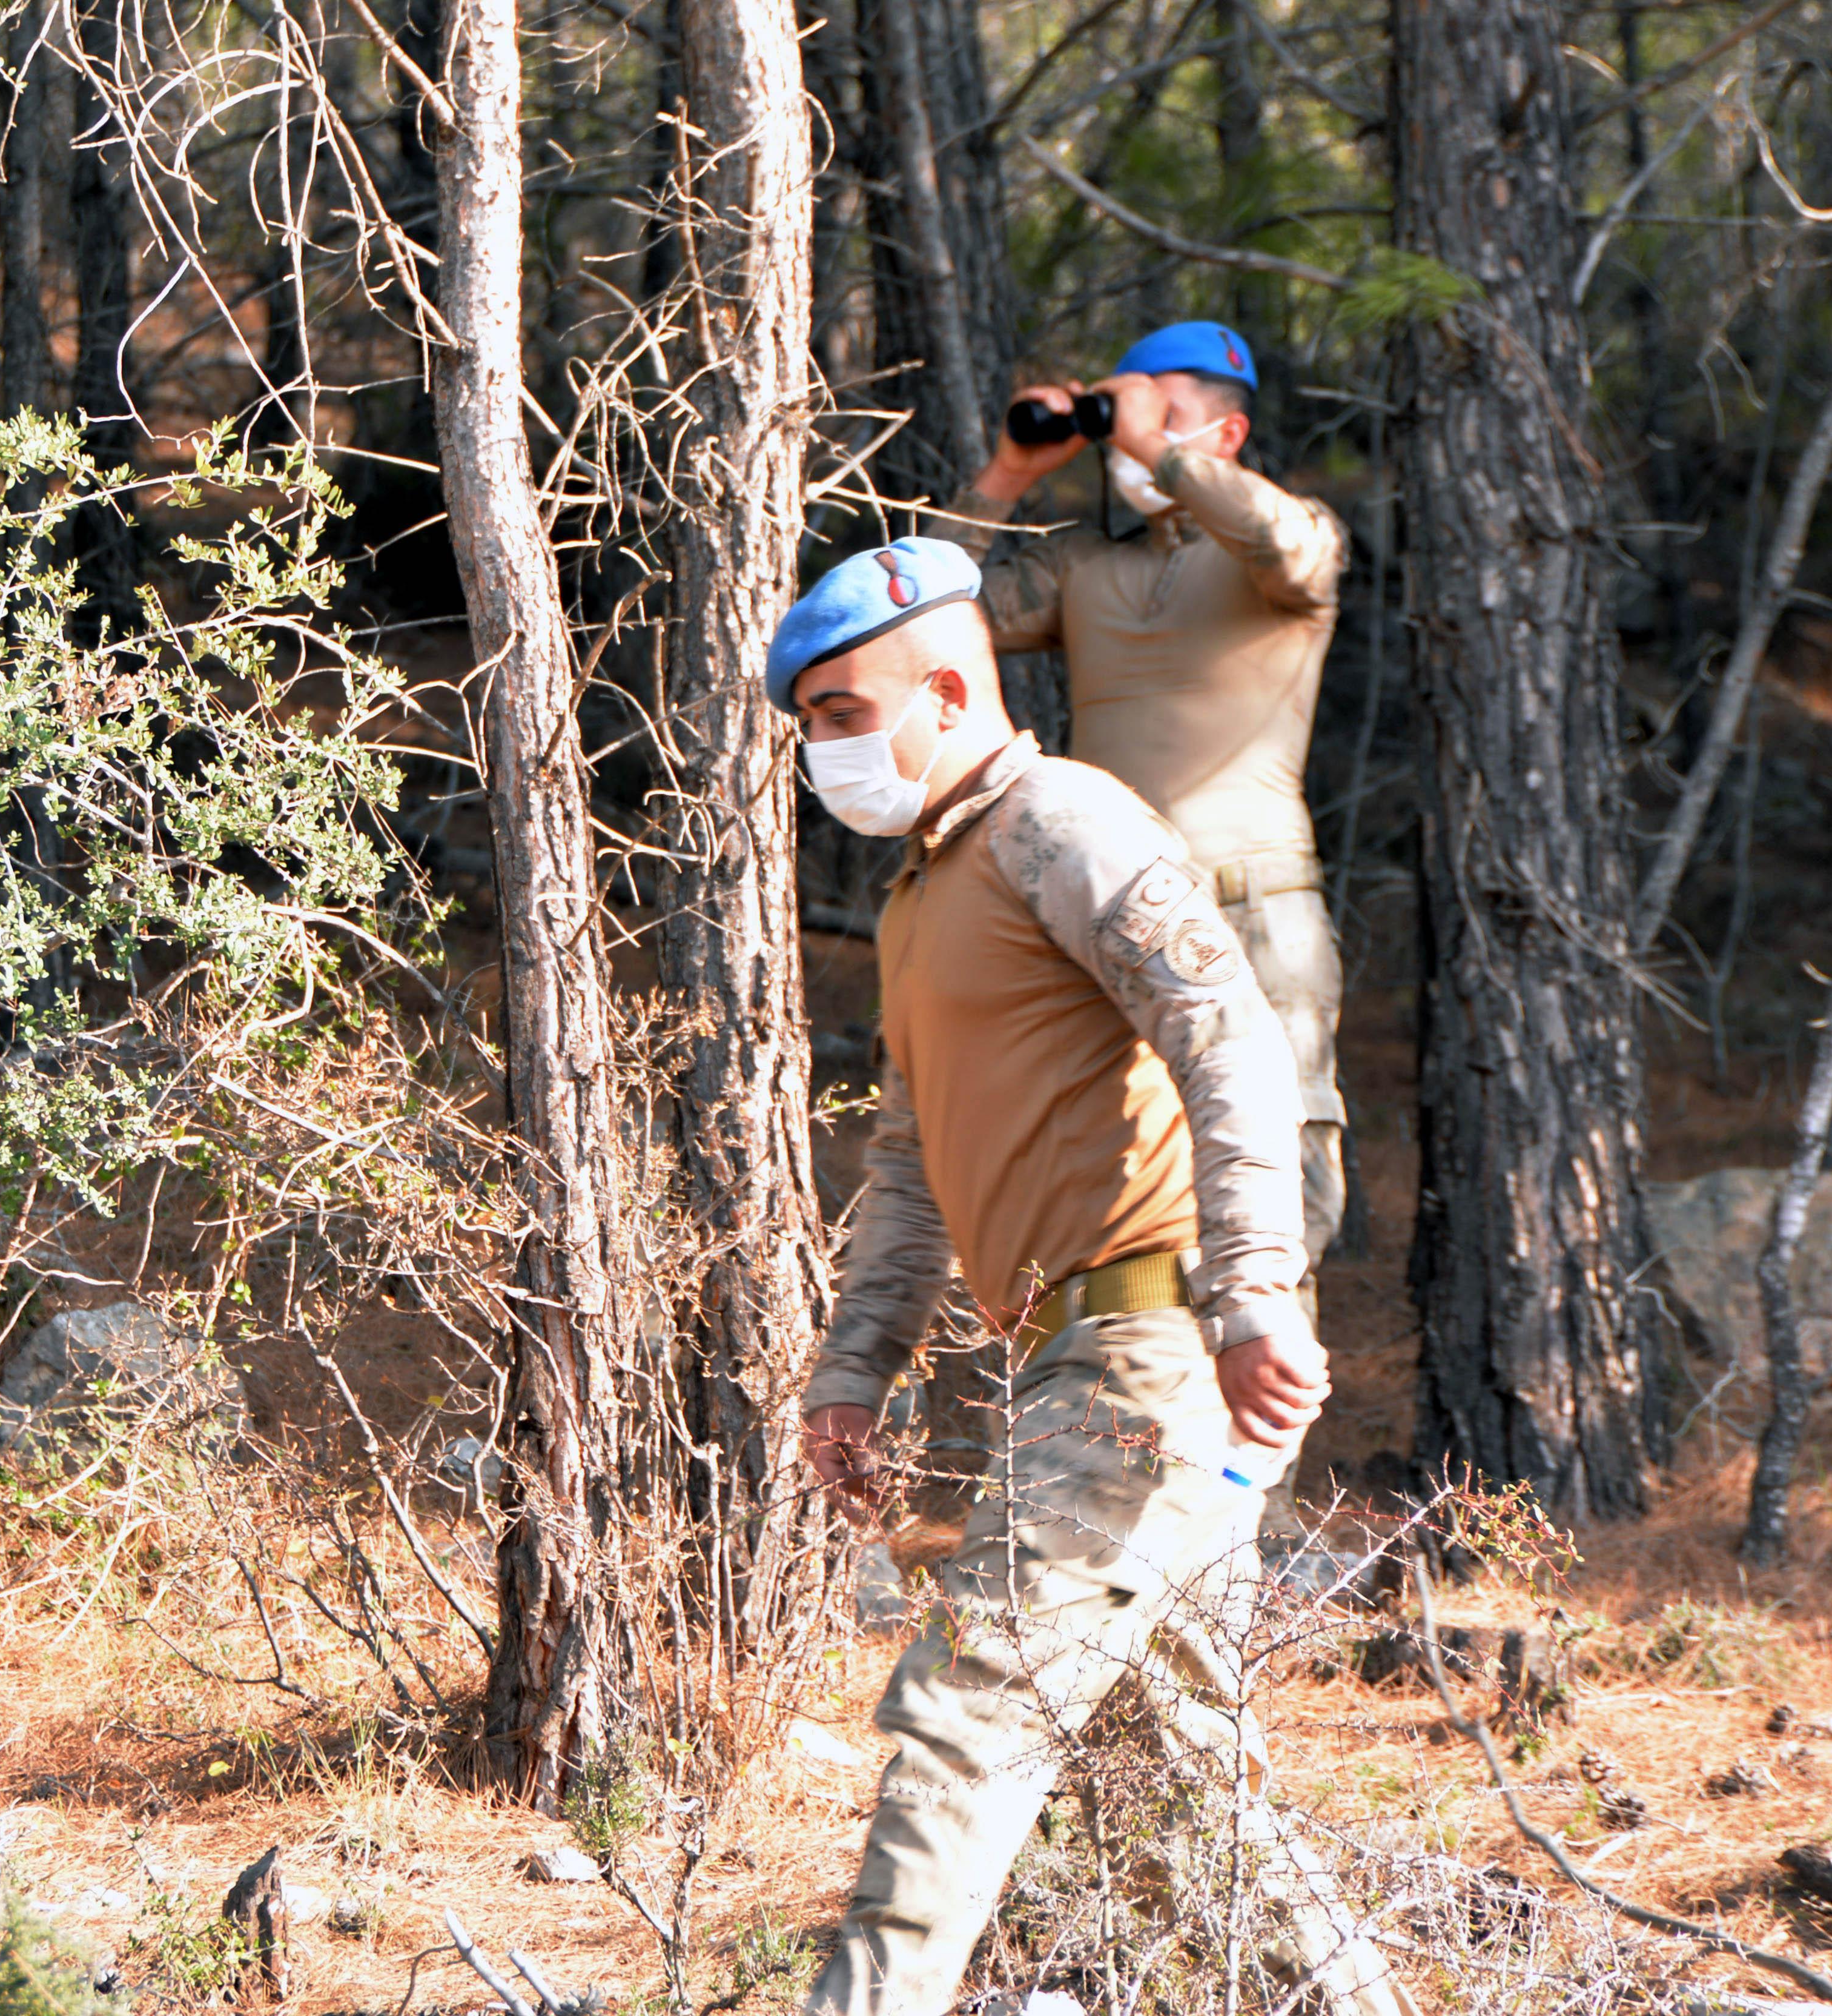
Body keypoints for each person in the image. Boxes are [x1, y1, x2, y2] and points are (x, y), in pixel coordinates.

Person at [770, 538, 1409, 2016]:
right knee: (1184, 1779)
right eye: (808, 724)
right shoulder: (928, 892)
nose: (825, 751)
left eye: (844, 713)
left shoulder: (1061, 820)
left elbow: (1229, 1034)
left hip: (1150, 1349)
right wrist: (853, 1374)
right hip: (1079, 1353)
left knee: (970, 1707)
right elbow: (915, 1159)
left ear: (945, 690)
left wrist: (1255, 1292)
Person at [924, 322, 1354, 1269]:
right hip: (1111, 920)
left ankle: (1268, 1381)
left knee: (1276, 1181)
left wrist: (1151, 441)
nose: (1131, 436)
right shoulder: (1085, 567)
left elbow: (1280, 543)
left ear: (1227, 439)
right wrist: (1005, 478)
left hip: (1253, 912)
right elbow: (928, 618)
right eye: (1123, 413)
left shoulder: (1294, 547)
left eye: (1169, 414)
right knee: (1121, 1180)